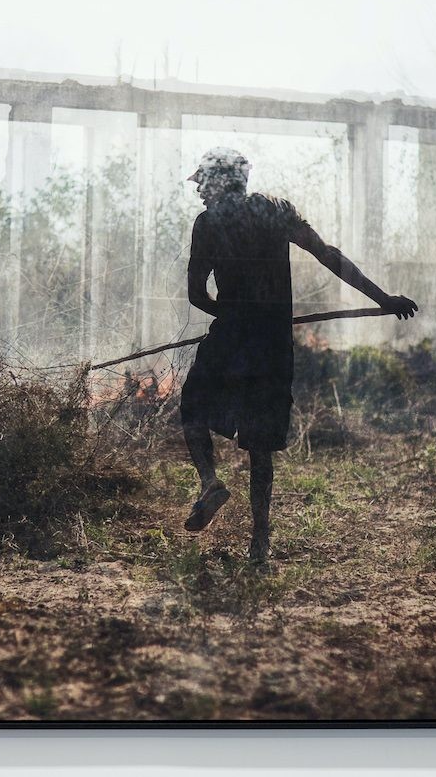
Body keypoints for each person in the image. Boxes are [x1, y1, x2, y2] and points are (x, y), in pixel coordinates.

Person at [179, 147, 418, 564]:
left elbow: (197, 295)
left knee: (192, 410)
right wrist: (382, 297)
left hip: (231, 338)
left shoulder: (207, 223)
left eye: (203, 182)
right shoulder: (276, 211)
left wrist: (232, 314)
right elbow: (329, 255)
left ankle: (210, 481)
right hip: (272, 345)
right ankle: (260, 542)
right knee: (260, 445)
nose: (199, 191)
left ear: (219, 181)